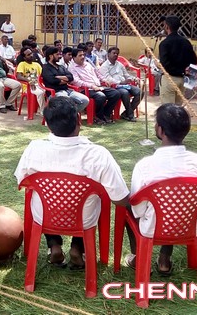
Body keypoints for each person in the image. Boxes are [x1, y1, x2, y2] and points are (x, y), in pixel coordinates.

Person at [14, 97, 129, 268]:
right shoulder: (98, 154)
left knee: (44, 203)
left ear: (47, 124)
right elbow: (120, 199)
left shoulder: (34, 148)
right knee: (91, 203)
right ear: (78, 121)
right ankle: (77, 247)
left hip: (44, 216)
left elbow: (21, 180)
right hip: (84, 219)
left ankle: (53, 245)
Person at [123, 104, 197, 273]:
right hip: (190, 225)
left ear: (160, 129)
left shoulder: (145, 166)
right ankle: (165, 259)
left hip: (153, 228)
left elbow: (138, 210)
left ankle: (139, 258)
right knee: (171, 204)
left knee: (129, 204)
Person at [67, 47, 120, 125]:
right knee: (100, 96)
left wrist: (104, 80)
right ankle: (98, 117)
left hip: (97, 86)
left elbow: (97, 73)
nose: (83, 57)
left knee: (116, 93)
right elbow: (77, 82)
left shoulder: (87, 64)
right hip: (85, 90)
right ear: (74, 57)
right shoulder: (72, 68)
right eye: (80, 55)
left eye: (83, 55)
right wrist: (91, 86)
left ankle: (105, 114)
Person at [158, 15, 197, 105]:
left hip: (169, 79)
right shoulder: (186, 42)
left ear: (167, 27)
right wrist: (186, 73)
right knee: (178, 108)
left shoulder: (164, 43)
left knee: (168, 109)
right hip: (183, 80)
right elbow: (194, 61)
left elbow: (165, 65)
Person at [99, 47, 142, 122]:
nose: (116, 55)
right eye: (114, 53)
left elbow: (126, 75)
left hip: (125, 84)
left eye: (117, 53)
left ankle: (126, 113)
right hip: (115, 86)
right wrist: (120, 82)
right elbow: (107, 79)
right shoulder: (104, 66)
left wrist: (134, 79)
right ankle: (130, 115)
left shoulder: (120, 64)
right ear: (108, 54)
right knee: (125, 93)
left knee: (140, 92)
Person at [41, 46, 89, 113]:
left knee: (85, 100)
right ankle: (67, 118)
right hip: (55, 92)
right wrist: (65, 79)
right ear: (51, 56)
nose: (60, 56)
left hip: (67, 90)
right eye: (57, 54)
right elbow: (52, 80)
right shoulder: (46, 68)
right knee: (67, 101)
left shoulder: (61, 67)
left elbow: (71, 77)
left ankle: (70, 116)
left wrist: (58, 77)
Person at [15, 47, 46, 116]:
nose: (31, 55)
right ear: (24, 57)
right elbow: (19, 76)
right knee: (40, 93)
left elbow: (43, 75)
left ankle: (49, 110)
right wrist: (30, 81)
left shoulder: (37, 65)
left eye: (31, 53)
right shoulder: (22, 64)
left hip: (39, 84)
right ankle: (43, 111)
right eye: (28, 55)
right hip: (28, 87)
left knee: (50, 91)